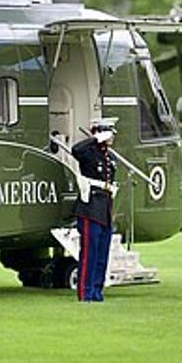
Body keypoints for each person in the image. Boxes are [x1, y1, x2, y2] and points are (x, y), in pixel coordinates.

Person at [70, 117, 118, 302]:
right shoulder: (89, 153)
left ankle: (97, 291)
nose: (112, 136)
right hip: (90, 207)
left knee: (102, 254)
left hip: (105, 206)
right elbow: (76, 150)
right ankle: (85, 292)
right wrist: (95, 139)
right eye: (109, 132)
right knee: (89, 253)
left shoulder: (109, 157)